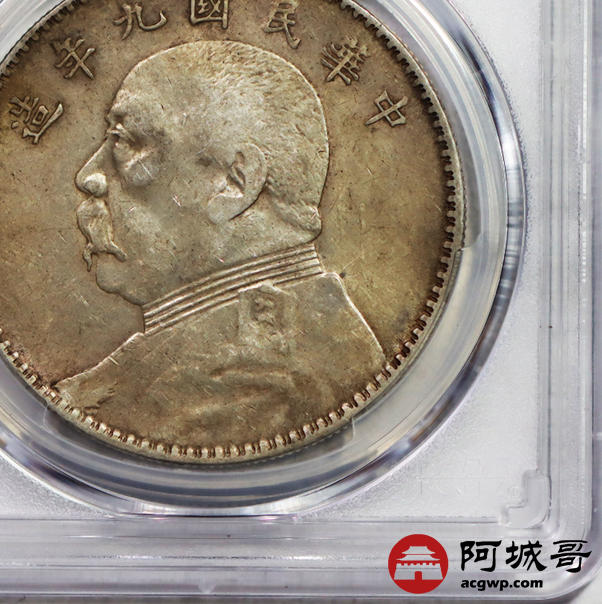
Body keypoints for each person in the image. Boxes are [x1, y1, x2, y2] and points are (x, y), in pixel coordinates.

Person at [55, 40, 384, 450]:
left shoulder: (244, 390)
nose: (88, 175)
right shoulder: (297, 348)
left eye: (127, 142)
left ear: (235, 184)